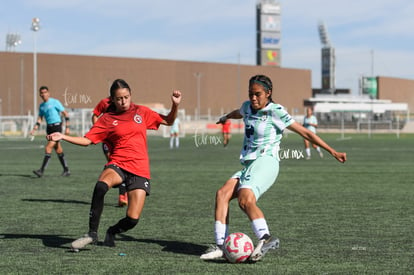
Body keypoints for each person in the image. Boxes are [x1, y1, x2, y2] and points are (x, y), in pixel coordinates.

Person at [200, 75, 346, 262]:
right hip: (250, 164)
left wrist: (332, 151)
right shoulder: (247, 107)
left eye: (257, 94)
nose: (253, 98)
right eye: (250, 94)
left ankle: (266, 238)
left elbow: (306, 132)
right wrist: (225, 117)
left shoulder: (275, 111)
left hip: (266, 161)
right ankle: (221, 246)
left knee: (245, 200)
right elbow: (239, 112)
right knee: (222, 194)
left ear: (268, 93)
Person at [47, 79, 181, 250]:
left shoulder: (142, 112)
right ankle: (91, 233)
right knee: (101, 186)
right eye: (119, 99)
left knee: (132, 219)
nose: (123, 101)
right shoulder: (107, 119)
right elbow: (87, 140)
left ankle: (112, 231)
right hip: (118, 163)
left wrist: (175, 105)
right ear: (112, 99)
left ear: (131, 95)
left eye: (126, 97)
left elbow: (168, 121)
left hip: (139, 169)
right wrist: (63, 137)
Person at [92, 96, 128, 207]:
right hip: (107, 139)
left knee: (119, 164)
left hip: (121, 139)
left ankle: (122, 194)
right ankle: (121, 191)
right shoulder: (104, 102)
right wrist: (97, 130)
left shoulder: (125, 103)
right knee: (113, 162)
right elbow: (95, 115)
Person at [31, 86, 71, 177]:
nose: (43, 94)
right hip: (49, 128)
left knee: (48, 148)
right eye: (42, 93)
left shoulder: (55, 102)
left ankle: (41, 171)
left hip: (57, 127)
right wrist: (35, 128)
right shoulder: (41, 106)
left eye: (45, 92)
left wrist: (67, 127)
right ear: (40, 94)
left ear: (48, 93)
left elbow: (65, 113)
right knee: (58, 149)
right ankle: (66, 170)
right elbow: (40, 118)